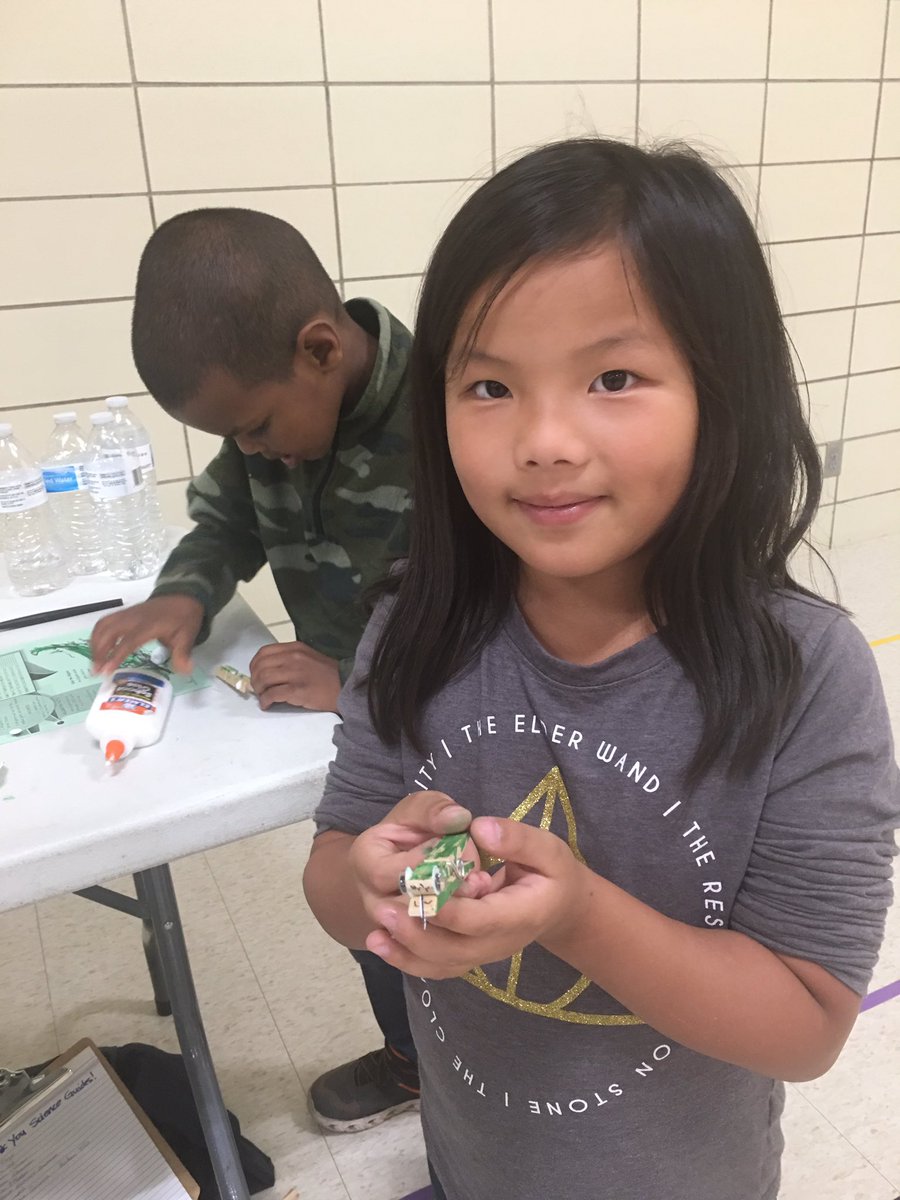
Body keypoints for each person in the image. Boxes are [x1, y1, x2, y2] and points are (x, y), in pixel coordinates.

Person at [303, 139, 900, 1199]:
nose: (543, 441)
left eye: (613, 378)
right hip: (470, 1163)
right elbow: (336, 864)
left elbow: (807, 1026)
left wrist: (576, 915)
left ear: (724, 390)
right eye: (489, 384)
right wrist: (375, 892)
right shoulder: (414, 622)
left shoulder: (807, 673)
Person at [90, 207, 421, 1132]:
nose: (249, 449)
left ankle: (474, 1063)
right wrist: (184, 592)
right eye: (231, 436)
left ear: (320, 349)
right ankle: (415, 1060)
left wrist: (351, 677)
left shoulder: (450, 419)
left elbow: (495, 620)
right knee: (375, 906)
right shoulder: (276, 413)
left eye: (254, 427)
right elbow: (228, 519)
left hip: (440, 725)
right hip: (355, 734)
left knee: (437, 897)